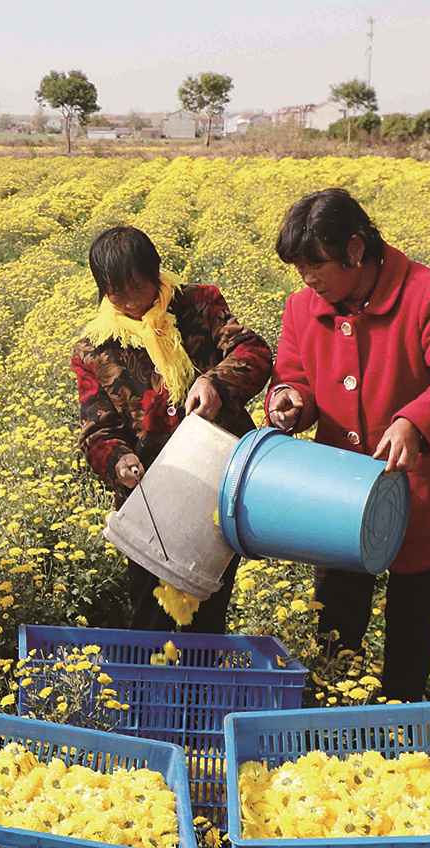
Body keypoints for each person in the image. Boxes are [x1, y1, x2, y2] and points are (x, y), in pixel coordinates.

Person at [266, 188, 430, 702]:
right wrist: (289, 401)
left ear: (354, 248)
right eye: (299, 267)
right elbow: (294, 377)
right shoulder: (303, 308)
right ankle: (325, 732)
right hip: (340, 500)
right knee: (335, 625)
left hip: (426, 500)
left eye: (316, 264)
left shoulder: (424, 294)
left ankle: (399, 732)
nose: (307, 278)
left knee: (410, 630)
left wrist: (416, 422)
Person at [72, 225, 273, 632]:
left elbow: (254, 352)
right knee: (150, 620)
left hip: (215, 485)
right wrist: (120, 460)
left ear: (156, 273)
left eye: (138, 287)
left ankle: (198, 693)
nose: (130, 302)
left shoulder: (199, 305)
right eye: (116, 293)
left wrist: (215, 382)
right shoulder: (94, 350)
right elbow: (97, 432)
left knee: (208, 611)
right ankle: (152, 692)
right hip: (148, 500)